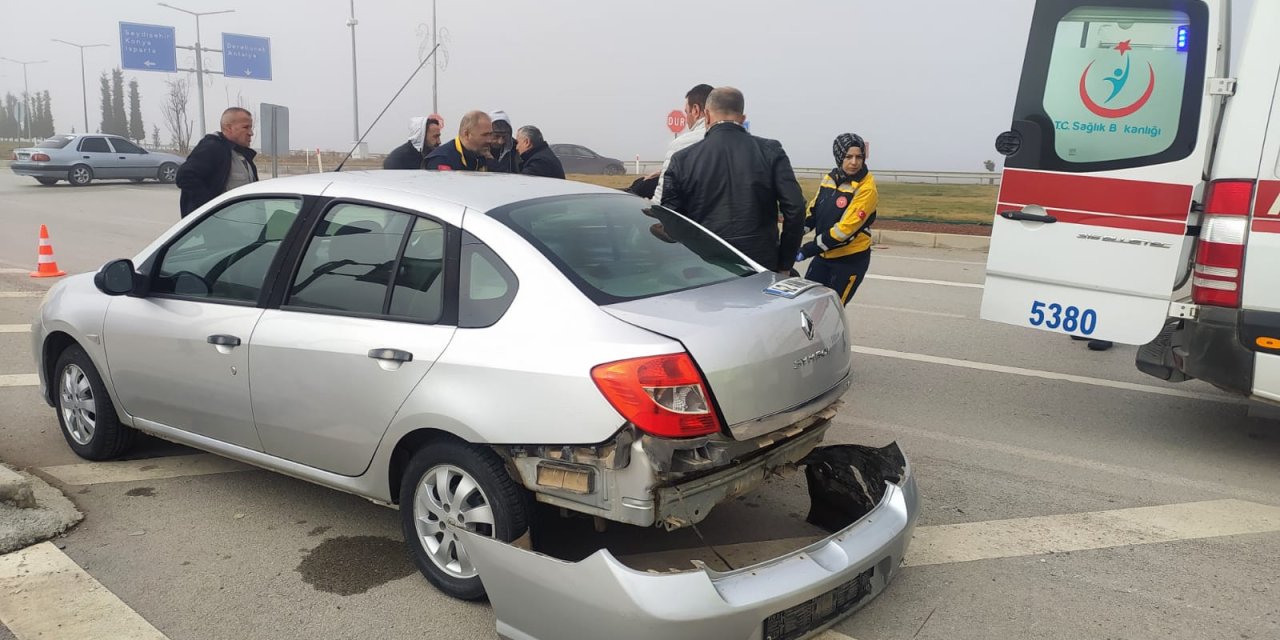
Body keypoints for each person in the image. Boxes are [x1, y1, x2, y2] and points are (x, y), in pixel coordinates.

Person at [660, 86, 806, 273]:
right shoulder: (770, 150)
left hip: (706, 266)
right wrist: (785, 263)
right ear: (743, 118)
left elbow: (671, 221)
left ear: (707, 115)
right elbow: (795, 207)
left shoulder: (682, 159)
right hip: (761, 262)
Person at [795, 133, 878, 305]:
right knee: (807, 304)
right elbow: (813, 213)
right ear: (839, 157)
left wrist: (807, 250)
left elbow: (844, 231)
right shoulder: (830, 179)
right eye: (848, 157)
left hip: (849, 260)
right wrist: (792, 236)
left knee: (831, 311)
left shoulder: (866, 188)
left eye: (859, 157)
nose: (854, 162)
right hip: (824, 254)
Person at [175, 107, 258, 217]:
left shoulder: (242, 153)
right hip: (221, 228)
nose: (251, 133)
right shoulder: (213, 148)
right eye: (246, 127)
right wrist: (211, 211)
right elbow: (184, 176)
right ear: (229, 128)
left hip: (245, 227)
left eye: (251, 127)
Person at [649, 83, 713, 204]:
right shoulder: (739, 144)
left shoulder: (680, 144)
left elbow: (661, 198)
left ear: (695, 110)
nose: (686, 118)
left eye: (686, 112)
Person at [423, 110, 493, 171]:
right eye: (485, 135)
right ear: (466, 134)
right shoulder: (441, 160)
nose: (489, 140)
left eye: (490, 134)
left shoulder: (481, 155)